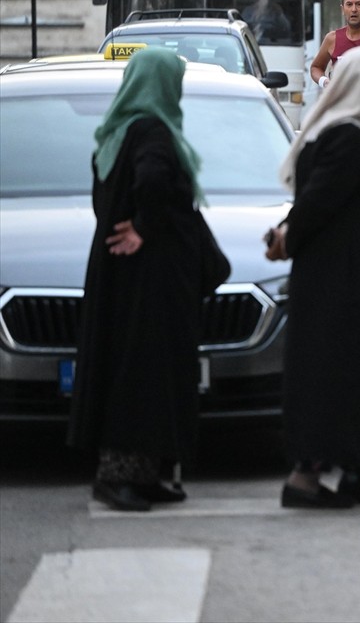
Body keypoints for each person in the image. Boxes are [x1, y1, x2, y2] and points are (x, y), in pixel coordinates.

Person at [68, 47, 229, 512]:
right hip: (150, 283)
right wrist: (145, 227)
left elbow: (107, 199)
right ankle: (120, 477)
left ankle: (145, 474)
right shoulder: (154, 132)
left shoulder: (116, 132)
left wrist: (136, 224)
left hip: (120, 278)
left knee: (130, 369)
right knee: (143, 375)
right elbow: (155, 181)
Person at [266, 47, 360, 509]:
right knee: (339, 377)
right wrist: (289, 235)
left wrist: (288, 232)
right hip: (344, 285)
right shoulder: (347, 137)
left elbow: (314, 201)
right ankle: (307, 478)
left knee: (357, 378)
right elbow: (320, 202)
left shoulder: (334, 132)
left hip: (344, 280)